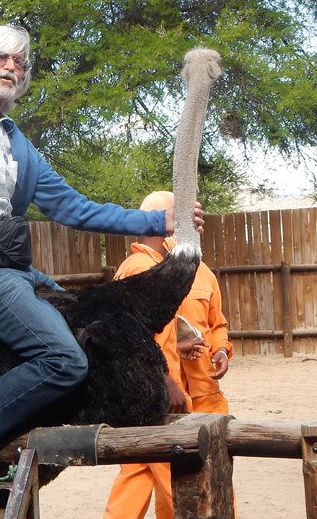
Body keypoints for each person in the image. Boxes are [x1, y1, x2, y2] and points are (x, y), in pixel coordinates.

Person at [0, 25, 204, 500]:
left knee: (91, 321)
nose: (11, 67)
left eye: (19, 62)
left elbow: (73, 207)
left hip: (8, 265)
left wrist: (155, 221)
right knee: (63, 358)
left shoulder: (15, 142)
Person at [104, 191, 231, 519]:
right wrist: (165, 381)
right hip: (161, 397)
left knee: (139, 474)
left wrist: (219, 348)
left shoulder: (197, 271)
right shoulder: (140, 269)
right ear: (164, 225)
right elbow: (133, 339)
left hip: (200, 393)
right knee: (180, 481)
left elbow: (216, 324)